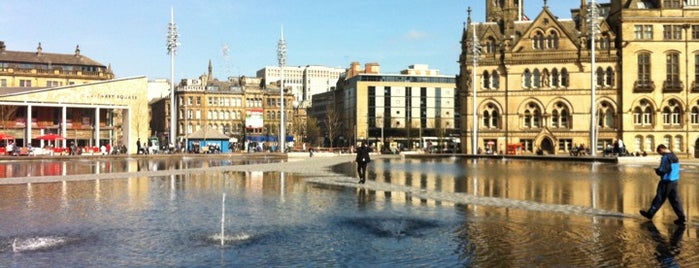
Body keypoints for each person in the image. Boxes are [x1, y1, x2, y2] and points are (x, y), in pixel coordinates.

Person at [639, 144, 686, 225]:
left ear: (661, 149)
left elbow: (662, 170)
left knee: (659, 198)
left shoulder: (666, 157)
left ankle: (650, 214)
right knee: (675, 200)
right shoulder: (673, 155)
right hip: (674, 180)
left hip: (666, 181)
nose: (660, 154)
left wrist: (657, 170)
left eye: (659, 152)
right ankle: (681, 217)